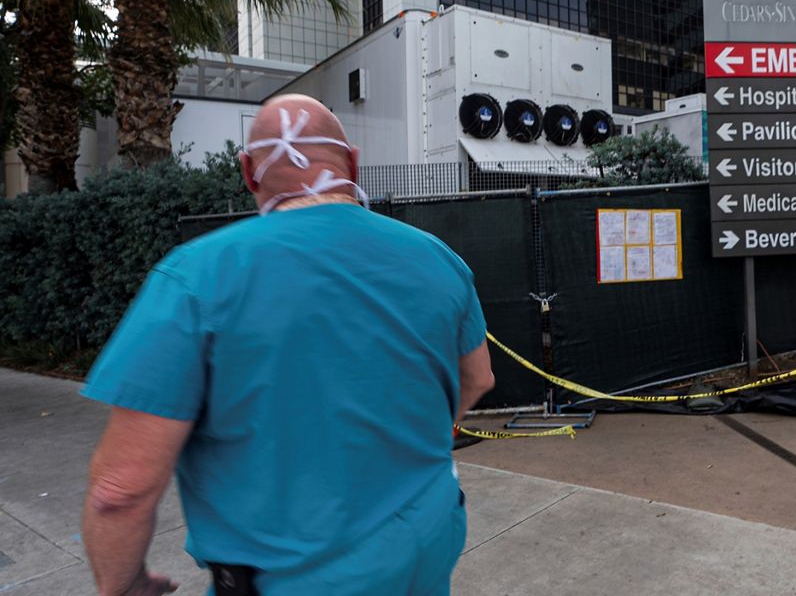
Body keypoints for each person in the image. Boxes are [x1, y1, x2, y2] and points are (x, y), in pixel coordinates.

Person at [80, 94, 495, 595]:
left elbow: (120, 490)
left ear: (248, 172)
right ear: (353, 162)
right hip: (424, 548)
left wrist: (122, 585)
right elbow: (478, 378)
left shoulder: (197, 277)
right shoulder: (437, 259)